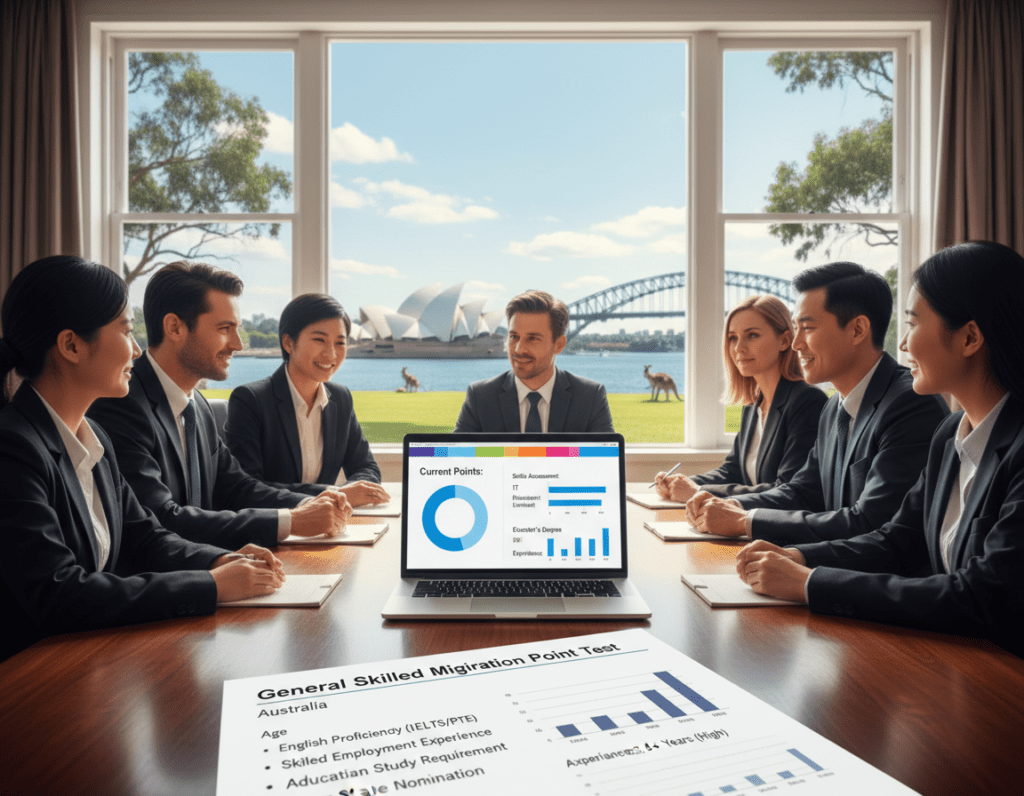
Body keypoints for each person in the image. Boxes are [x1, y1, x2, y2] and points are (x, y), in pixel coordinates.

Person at [736, 241, 1024, 657]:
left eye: (913, 324)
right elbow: (898, 540)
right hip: (955, 660)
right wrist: (797, 556)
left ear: (970, 337)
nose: (902, 344)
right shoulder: (949, 435)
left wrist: (808, 583)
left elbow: (983, 595)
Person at [0, 256, 285, 661]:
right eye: (125, 330)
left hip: (92, 659)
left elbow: (146, 536)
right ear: (71, 345)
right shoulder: (13, 447)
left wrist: (224, 559)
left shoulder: (94, 436)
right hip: (32, 679)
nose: (136, 349)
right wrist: (212, 584)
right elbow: (57, 591)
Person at [88, 262, 351, 550]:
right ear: (174, 327)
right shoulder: (120, 405)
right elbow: (160, 518)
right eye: (225, 329)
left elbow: (237, 486)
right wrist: (292, 521)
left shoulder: (196, 405)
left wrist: (311, 502)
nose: (238, 344)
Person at [688, 261, 948, 544]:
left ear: (858, 330)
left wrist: (745, 522)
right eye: (796, 328)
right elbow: (803, 491)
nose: (796, 343)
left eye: (807, 328)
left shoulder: (910, 405)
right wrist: (734, 508)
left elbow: (871, 522)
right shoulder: (833, 407)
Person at [654, 295, 827, 501]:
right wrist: (684, 483)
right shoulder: (754, 404)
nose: (738, 348)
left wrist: (700, 492)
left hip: (776, 529)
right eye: (733, 338)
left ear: (784, 341)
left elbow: (789, 490)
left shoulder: (807, 402)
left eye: (752, 335)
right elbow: (733, 470)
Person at [226, 293, 388, 505]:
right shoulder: (250, 400)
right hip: (272, 531)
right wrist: (333, 494)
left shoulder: (341, 398)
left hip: (328, 526)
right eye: (319, 340)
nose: (331, 354)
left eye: (340, 343)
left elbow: (366, 467)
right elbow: (248, 488)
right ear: (288, 342)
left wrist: (351, 492)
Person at [454, 290, 614, 433]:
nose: (518, 349)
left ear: (558, 345)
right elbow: (454, 459)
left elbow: (606, 465)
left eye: (532, 339)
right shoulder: (480, 396)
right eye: (513, 337)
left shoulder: (589, 397)